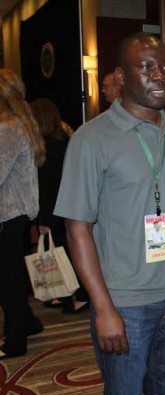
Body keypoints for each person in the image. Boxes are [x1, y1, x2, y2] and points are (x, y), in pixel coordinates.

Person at [54, 32, 165, 395]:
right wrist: (103, 307)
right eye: (147, 67)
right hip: (124, 303)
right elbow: (77, 229)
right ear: (121, 77)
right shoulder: (91, 140)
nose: (160, 75)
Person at [0, 68, 45, 359]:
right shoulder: (22, 123)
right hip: (16, 212)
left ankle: (16, 340)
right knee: (12, 274)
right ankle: (28, 323)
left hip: (8, 213)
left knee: (8, 279)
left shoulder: (9, 127)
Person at [30, 98, 89, 314]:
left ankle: (79, 294)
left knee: (65, 253)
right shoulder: (66, 139)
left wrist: (43, 219)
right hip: (67, 205)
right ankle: (66, 294)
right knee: (65, 252)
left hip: (55, 208)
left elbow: (47, 187)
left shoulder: (48, 147)